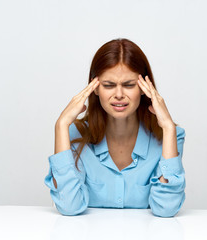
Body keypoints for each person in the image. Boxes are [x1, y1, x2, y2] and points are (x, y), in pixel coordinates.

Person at [44, 38, 186, 217]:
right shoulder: (74, 134)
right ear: (94, 88)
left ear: (144, 88)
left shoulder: (171, 137)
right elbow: (69, 206)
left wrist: (168, 128)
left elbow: (166, 209)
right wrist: (61, 125)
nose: (119, 95)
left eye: (129, 85)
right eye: (109, 85)